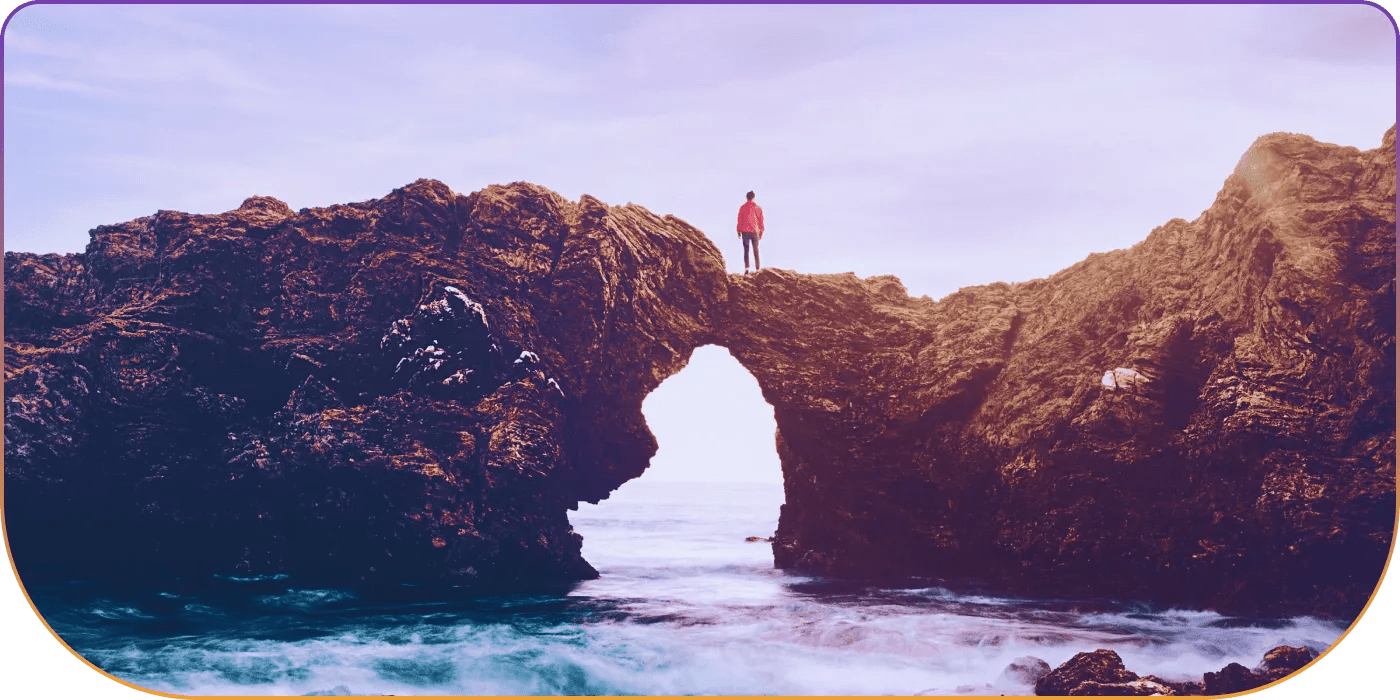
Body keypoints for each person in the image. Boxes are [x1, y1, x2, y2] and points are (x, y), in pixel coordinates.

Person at [736, 190, 764, 273]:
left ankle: (746, 269)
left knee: (746, 250)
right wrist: (761, 232)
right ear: (754, 197)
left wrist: (738, 230)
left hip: (745, 231)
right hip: (755, 231)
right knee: (756, 250)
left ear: (746, 197)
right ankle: (758, 268)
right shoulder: (758, 208)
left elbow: (739, 220)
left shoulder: (742, 207)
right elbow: (761, 221)